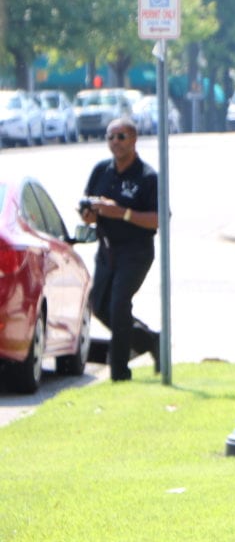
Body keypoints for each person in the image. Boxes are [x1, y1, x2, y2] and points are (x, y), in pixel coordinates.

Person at [79, 117, 160, 381]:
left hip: (136, 251)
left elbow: (157, 219)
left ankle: (119, 373)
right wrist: (90, 215)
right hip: (106, 251)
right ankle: (152, 342)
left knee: (118, 305)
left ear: (134, 139)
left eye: (121, 136)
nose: (115, 142)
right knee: (99, 306)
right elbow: (88, 207)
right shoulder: (101, 170)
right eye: (110, 137)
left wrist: (121, 213)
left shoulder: (147, 177)